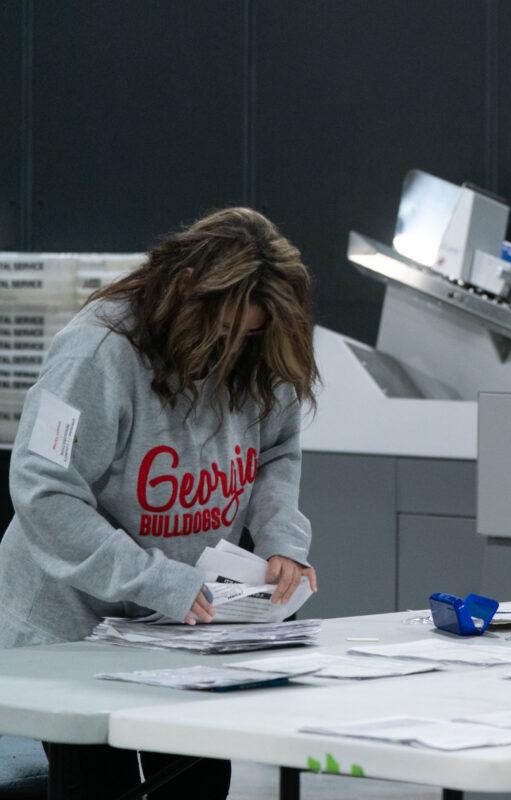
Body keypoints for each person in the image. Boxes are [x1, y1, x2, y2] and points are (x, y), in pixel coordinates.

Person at [0, 207, 320, 799]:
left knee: (198, 779)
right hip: (73, 623)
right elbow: (44, 491)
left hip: (180, 626)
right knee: (98, 786)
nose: (234, 348)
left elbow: (277, 450)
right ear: (186, 291)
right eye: (226, 331)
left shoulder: (261, 341)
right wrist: (153, 579)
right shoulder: (95, 353)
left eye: (249, 336)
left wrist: (282, 541)